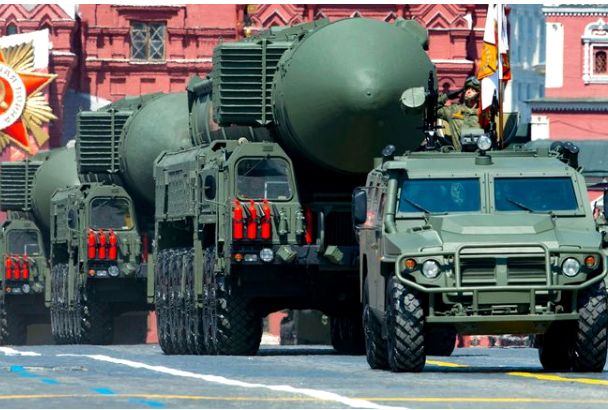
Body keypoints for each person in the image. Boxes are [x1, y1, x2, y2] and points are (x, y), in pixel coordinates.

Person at [437, 76, 482, 151]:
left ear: (479, 95)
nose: (468, 91)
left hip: (482, 154)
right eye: (467, 89)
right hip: (460, 154)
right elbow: (434, 109)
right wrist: (447, 96)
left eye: (473, 90)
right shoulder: (454, 110)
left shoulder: (485, 112)